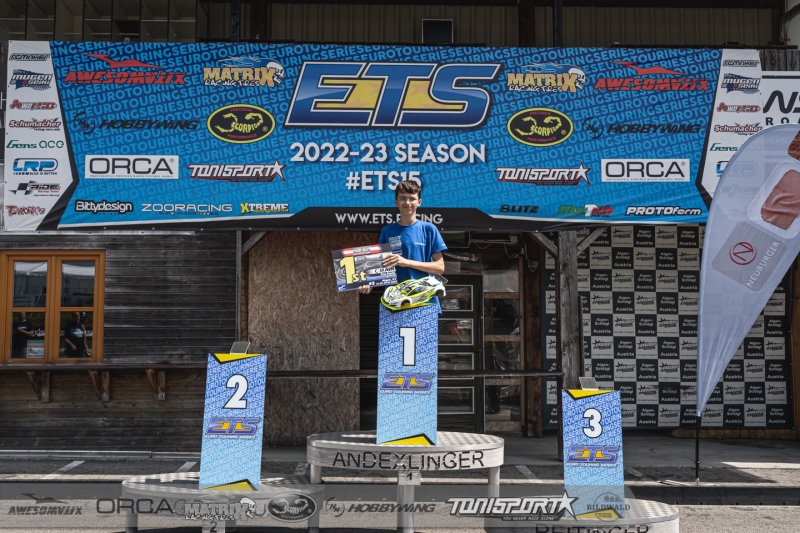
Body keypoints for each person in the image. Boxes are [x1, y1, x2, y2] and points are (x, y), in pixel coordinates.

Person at [358, 180, 447, 299]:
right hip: (394, 300)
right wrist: (368, 283)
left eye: (412, 198)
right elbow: (379, 266)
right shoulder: (387, 231)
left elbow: (440, 268)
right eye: (402, 198)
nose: (407, 202)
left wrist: (405, 262)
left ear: (419, 202)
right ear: (396, 202)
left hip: (425, 300)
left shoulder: (429, 229)